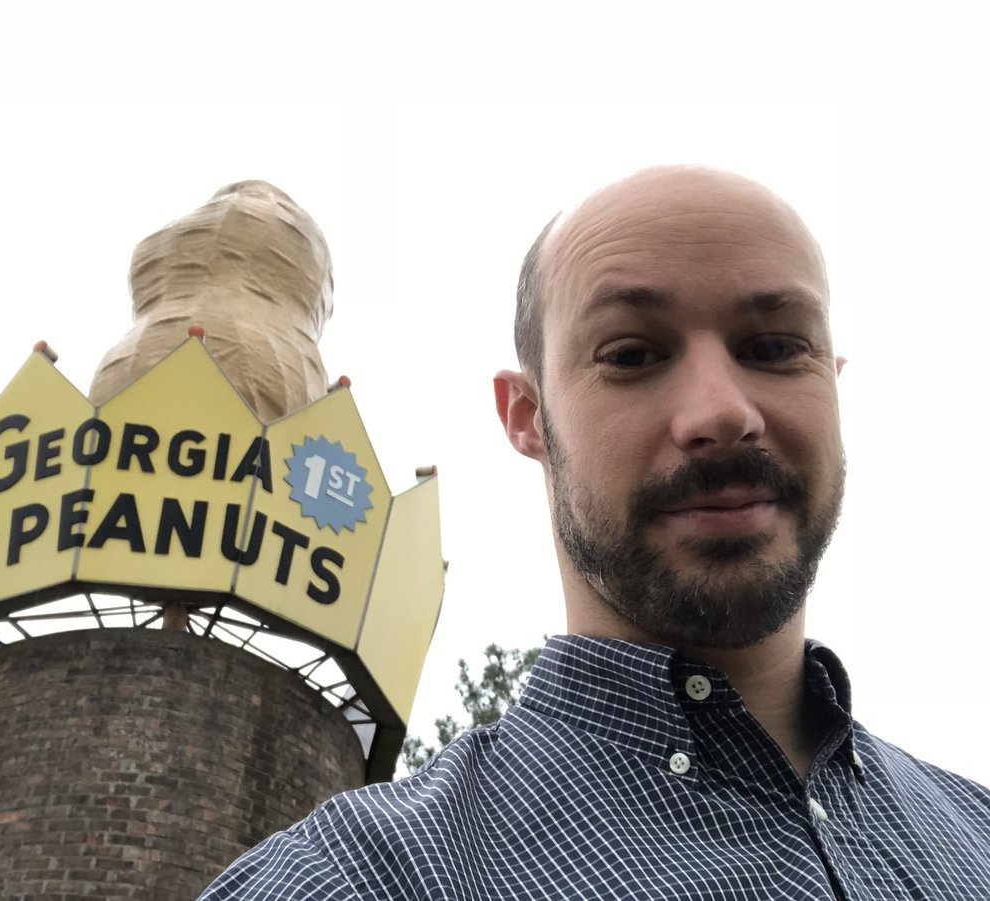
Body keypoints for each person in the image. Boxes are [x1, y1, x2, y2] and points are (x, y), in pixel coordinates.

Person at [200, 166, 990, 898]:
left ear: (833, 383)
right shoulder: (356, 879)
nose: (722, 411)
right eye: (633, 354)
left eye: (776, 349)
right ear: (527, 416)